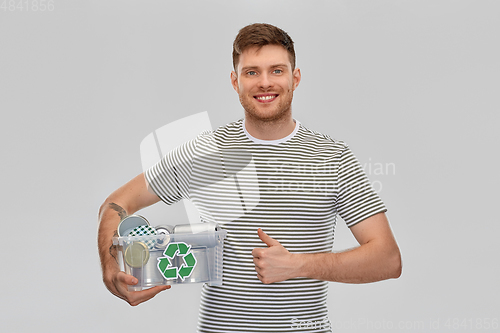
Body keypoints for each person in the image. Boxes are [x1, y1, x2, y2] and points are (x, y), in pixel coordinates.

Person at [98, 23, 402, 332]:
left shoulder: (332, 158)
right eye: (252, 72)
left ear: (295, 78)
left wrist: (300, 265)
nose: (265, 83)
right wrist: (111, 268)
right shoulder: (204, 152)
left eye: (277, 71)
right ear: (235, 81)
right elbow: (116, 204)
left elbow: (387, 259)